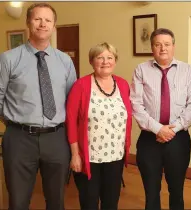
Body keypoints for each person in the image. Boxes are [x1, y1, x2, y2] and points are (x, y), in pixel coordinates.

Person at [0, 3, 77, 209]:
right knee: (18, 201)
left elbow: (71, 100)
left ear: (54, 25)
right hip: (19, 139)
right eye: (37, 19)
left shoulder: (65, 61)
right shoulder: (7, 59)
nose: (42, 24)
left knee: (56, 201)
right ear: (28, 22)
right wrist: (18, 120)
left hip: (56, 138)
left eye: (48, 20)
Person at [130, 28, 191, 210]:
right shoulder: (141, 70)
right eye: (158, 44)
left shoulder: (187, 70)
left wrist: (172, 129)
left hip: (178, 139)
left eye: (167, 44)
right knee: (151, 192)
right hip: (149, 139)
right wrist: (158, 129)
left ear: (173, 46)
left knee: (176, 191)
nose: (163, 49)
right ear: (152, 47)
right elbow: (136, 104)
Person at [66, 42, 132, 209]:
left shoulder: (123, 85)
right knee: (89, 202)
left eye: (109, 57)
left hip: (115, 155)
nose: (105, 62)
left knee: (111, 202)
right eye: (100, 57)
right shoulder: (81, 85)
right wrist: (75, 155)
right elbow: (71, 121)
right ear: (91, 61)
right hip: (89, 157)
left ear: (115, 61)